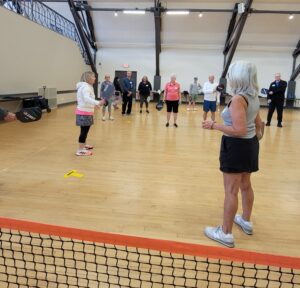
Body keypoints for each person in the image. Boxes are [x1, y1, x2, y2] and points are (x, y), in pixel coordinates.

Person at [202, 61, 264, 248]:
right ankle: (245, 220)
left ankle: (226, 233)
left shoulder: (238, 99)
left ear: (237, 77)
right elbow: (259, 124)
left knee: (231, 191)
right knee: (246, 185)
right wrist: (256, 138)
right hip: (250, 146)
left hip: (237, 146)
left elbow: (239, 130)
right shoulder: (253, 96)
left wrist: (214, 125)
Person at [75, 71, 106, 156]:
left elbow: (87, 100)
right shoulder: (85, 87)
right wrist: (97, 102)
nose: (95, 78)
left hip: (87, 112)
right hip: (83, 113)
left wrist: (95, 105)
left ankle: (83, 146)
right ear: (88, 78)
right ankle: (80, 150)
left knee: (85, 130)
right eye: (93, 77)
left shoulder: (88, 86)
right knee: (84, 131)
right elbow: (86, 98)